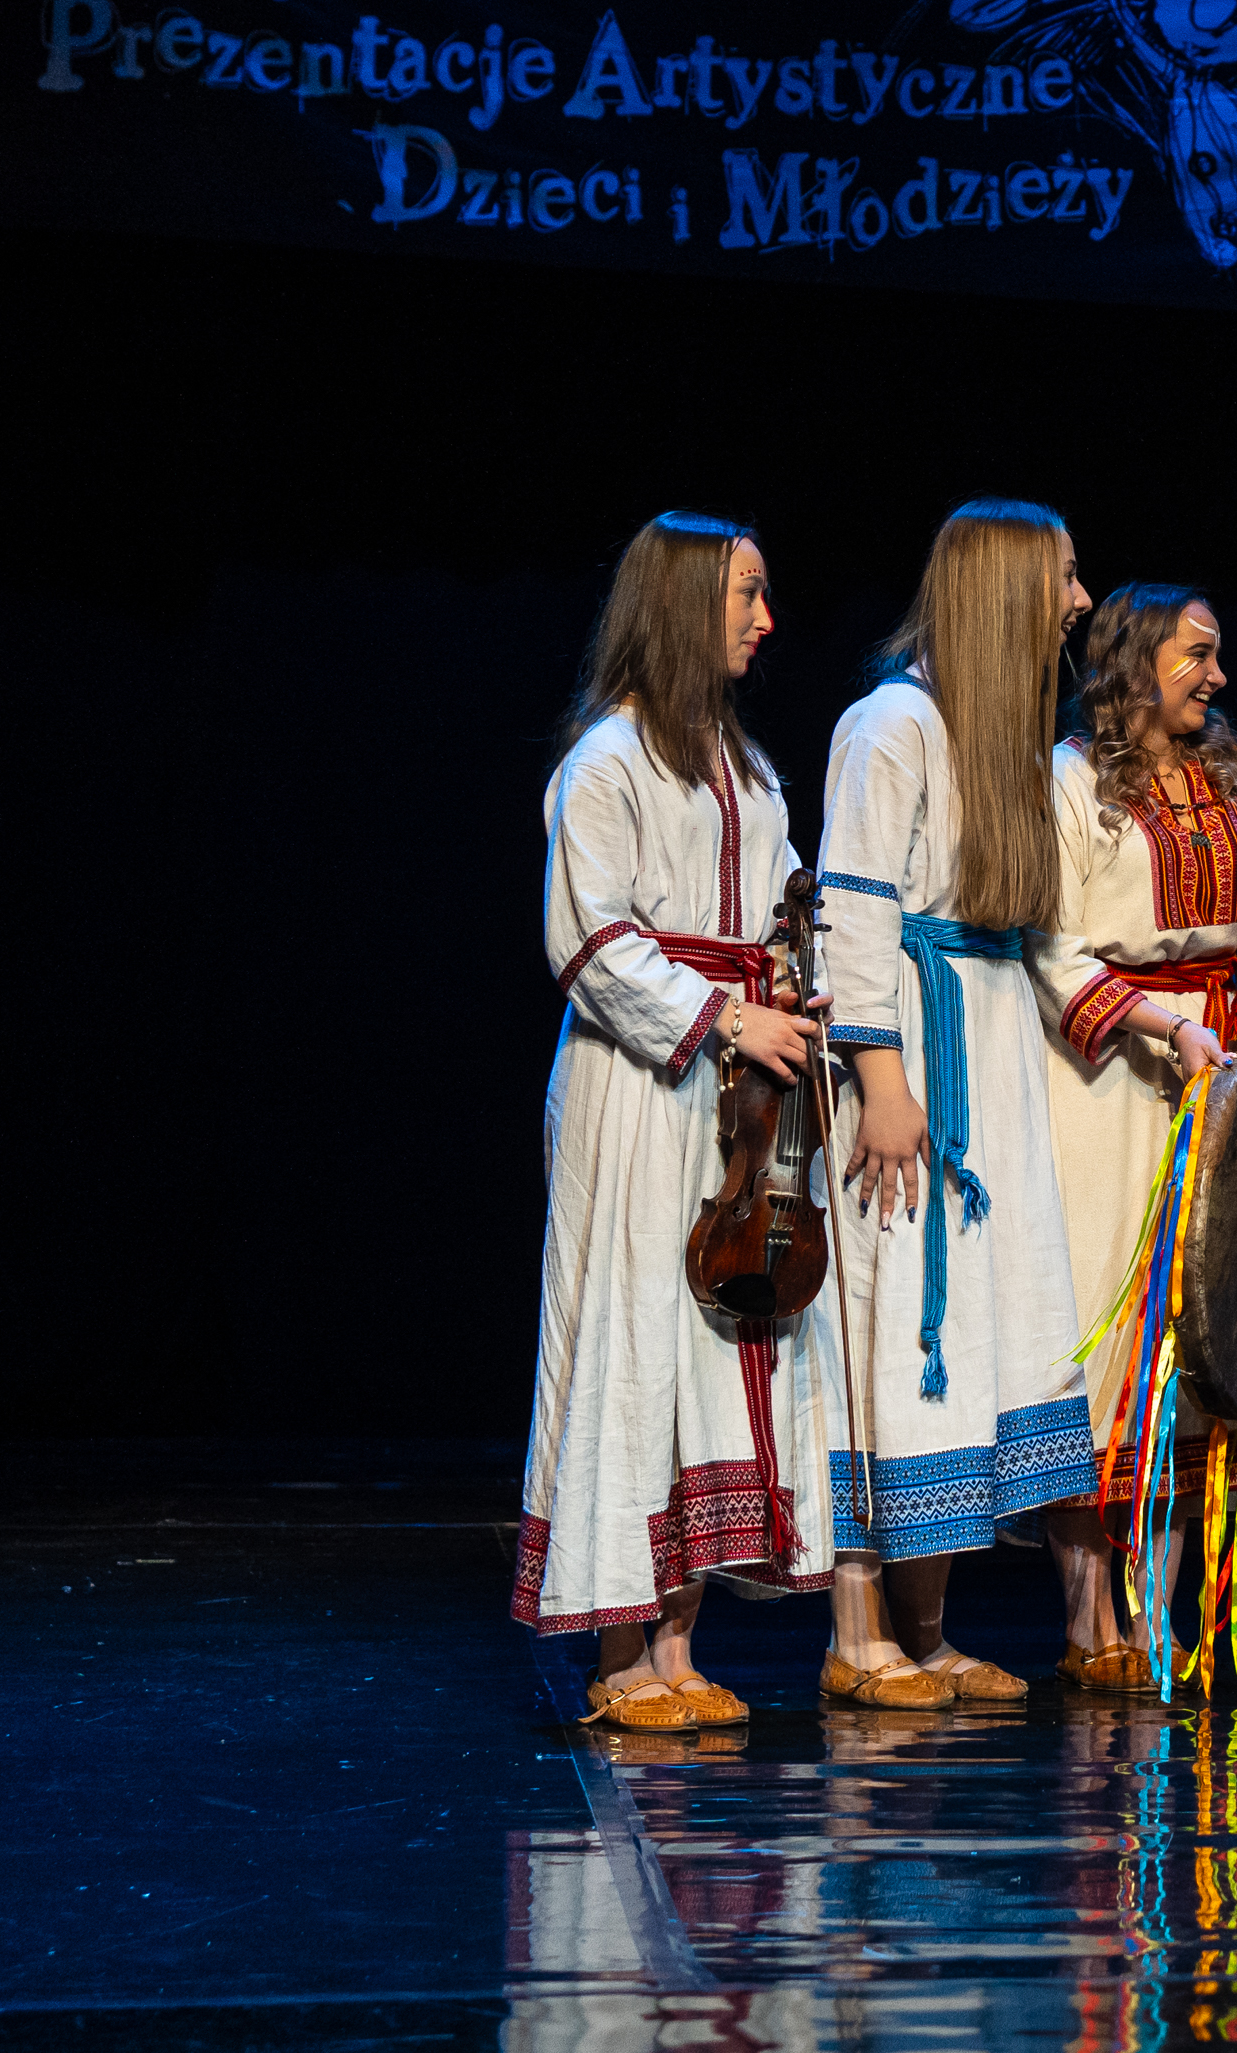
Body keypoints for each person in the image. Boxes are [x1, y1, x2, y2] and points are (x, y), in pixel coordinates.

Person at [517, 514, 837, 1729]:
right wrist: (721, 1016)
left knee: (713, 1339)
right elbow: (589, 939)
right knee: (629, 1333)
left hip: (732, 1087)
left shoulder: (747, 771)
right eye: (747, 595)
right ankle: (613, 1656)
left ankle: (679, 1639)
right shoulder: (605, 763)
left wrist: (789, 989)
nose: (765, 619)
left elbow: (779, 903)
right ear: (682, 604)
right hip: (639, 1081)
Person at [809, 498, 1097, 1710]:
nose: (1081, 603)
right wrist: (880, 1081)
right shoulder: (888, 725)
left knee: (967, 1335)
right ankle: (859, 1632)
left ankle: (926, 1634)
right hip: (913, 1057)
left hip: (986, 1044)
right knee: (890, 1322)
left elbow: (1033, 935)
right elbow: (856, 908)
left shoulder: (991, 738)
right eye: (1066, 579)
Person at [1031, 585, 1237, 1690]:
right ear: (1137, 658)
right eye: (1198, 653)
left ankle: (1167, 1609)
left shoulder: (1235, 780)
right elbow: (1052, 946)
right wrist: (1160, 1022)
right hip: (1116, 1083)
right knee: (1116, 1344)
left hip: (1221, 1074)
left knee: (1207, 1337)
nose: (1217, 674)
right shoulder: (1068, 779)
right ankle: (1090, 1616)